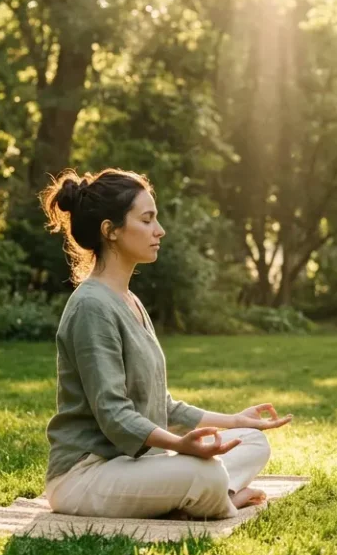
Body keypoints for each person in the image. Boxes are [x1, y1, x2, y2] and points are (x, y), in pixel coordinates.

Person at [39, 168, 293, 519]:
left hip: (136, 464)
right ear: (110, 230)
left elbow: (162, 404)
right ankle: (222, 499)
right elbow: (113, 414)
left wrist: (233, 420)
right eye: (147, 220)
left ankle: (205, 497)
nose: (160, 230)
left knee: (252, 441)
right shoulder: (91, 307)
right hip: (88, 474)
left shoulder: (130, 300)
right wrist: (179, 445)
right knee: (204, 472)